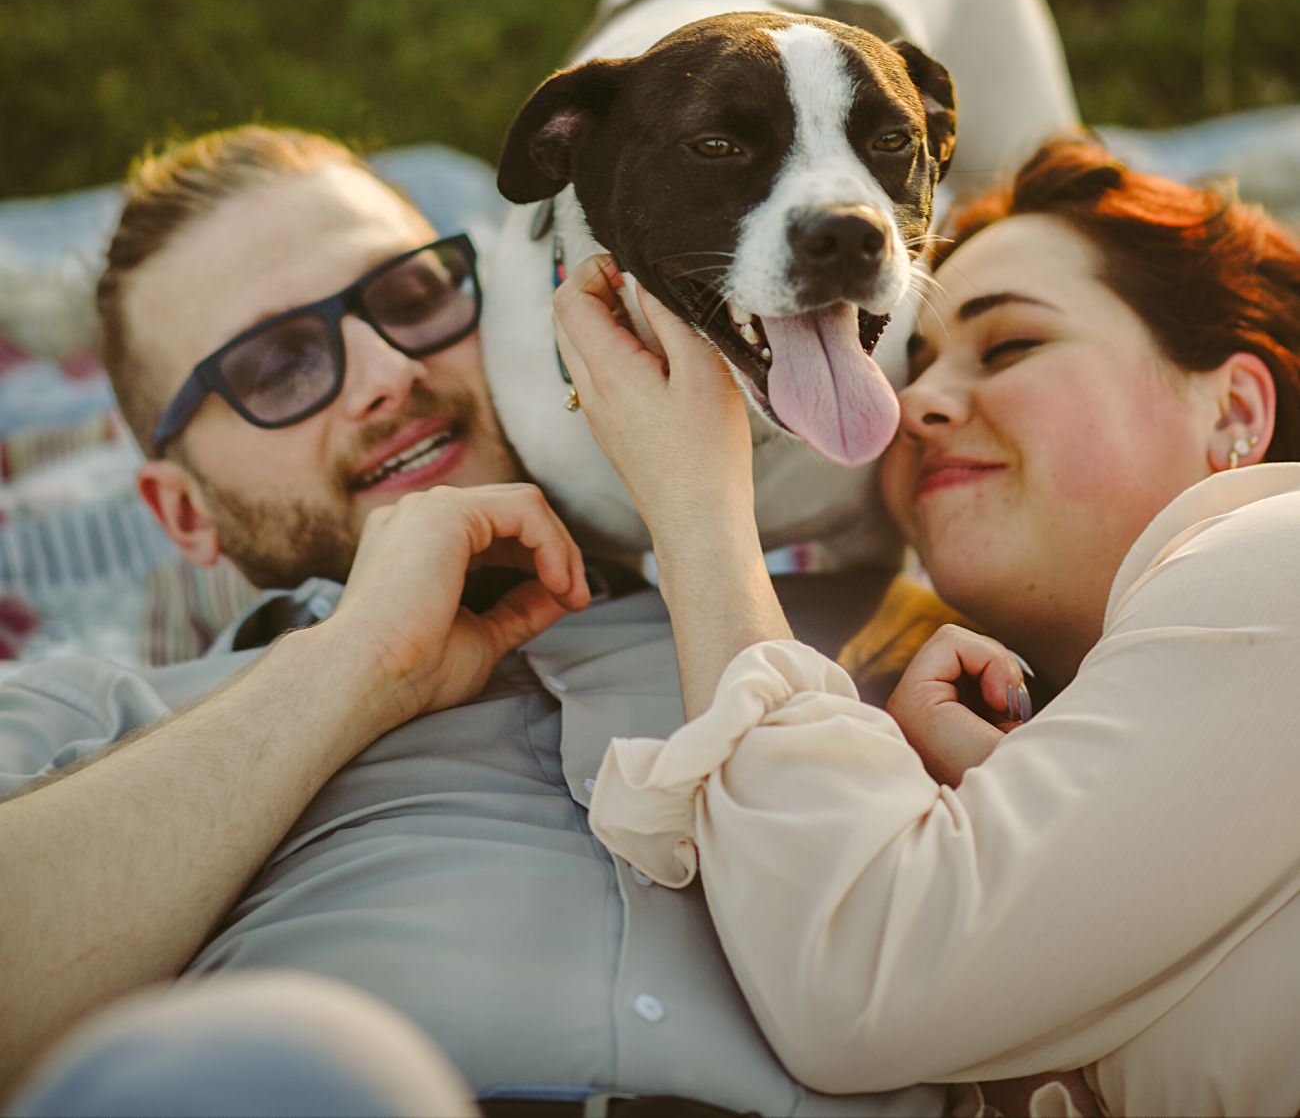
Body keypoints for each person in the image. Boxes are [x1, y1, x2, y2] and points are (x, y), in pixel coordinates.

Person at [0, 124, 929, 1118]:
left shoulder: (867, 627)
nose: (385, 371)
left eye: (410, 298)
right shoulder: (86, 722)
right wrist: (357, 663)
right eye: (275, 368)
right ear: (183, 512)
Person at [554, 132, 1300, 1118]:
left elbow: (859, 981)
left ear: (1234, 410)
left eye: (1012, 344)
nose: (916, 407)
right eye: (907, 364)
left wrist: (696, 506)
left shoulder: (1272, 555)